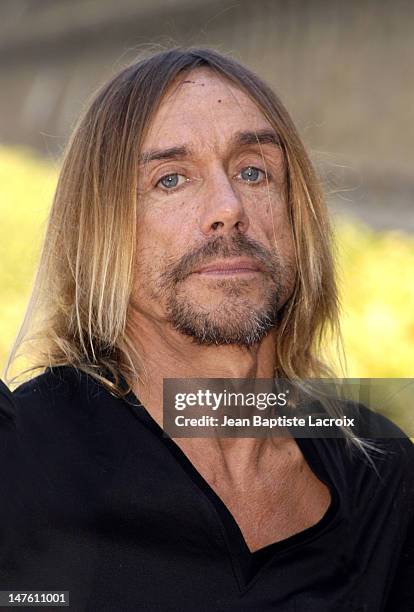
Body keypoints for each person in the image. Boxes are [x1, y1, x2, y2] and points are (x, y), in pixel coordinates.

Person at [3, 47, 413, 611]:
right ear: (99, 227)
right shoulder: (21, 461)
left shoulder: (383, 474)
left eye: (253, 171)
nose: (228, 207)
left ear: (299, 217)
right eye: (171, 179)